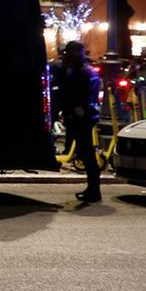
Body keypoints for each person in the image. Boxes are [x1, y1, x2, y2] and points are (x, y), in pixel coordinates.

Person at [55, 41, 101, 203]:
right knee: (84, 153)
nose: (66, 56)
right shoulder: (76, 70)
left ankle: (94, 191)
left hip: (82, 117)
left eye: (68, 53)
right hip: (78, 116)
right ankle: (93, 189)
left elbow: (77, 94)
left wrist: (76, 112)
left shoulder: (82, 72)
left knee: (87, 154)